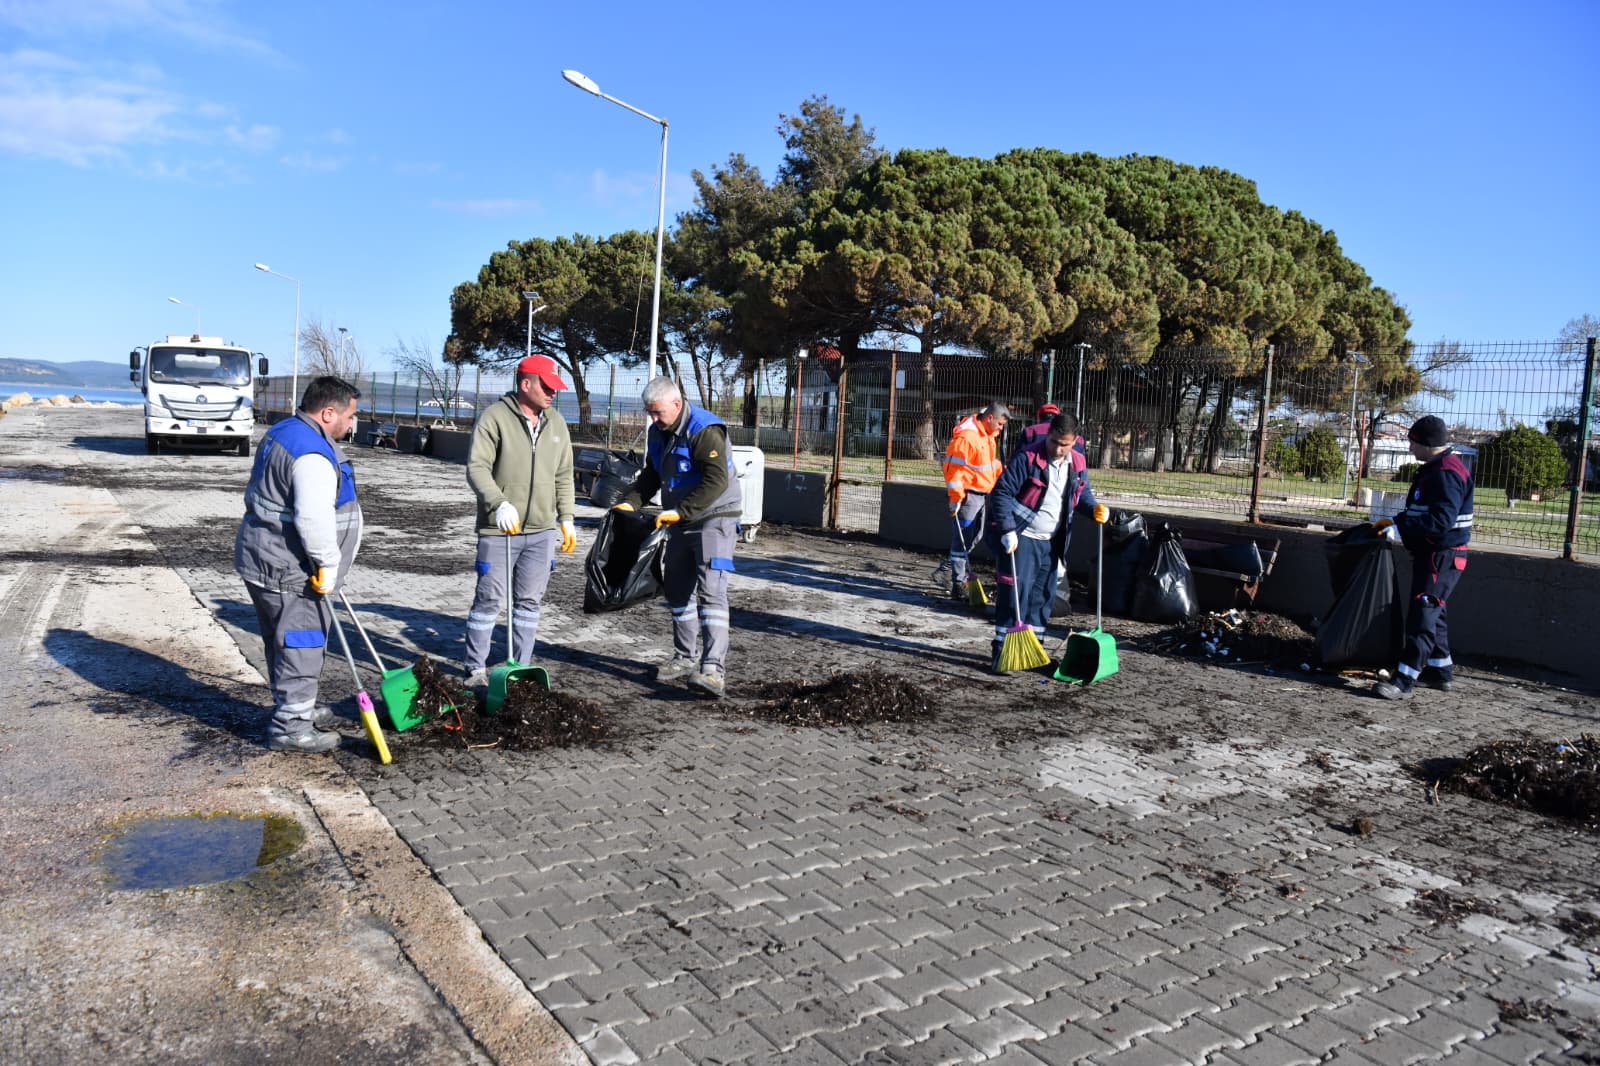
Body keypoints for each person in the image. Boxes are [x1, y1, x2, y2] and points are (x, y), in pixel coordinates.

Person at [233, 376, 364, 753]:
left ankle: (295, 705)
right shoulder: (311, 454)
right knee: (302, 644)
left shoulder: (285, 431)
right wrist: (327, 563)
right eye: (350, 416)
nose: (352, 424)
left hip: (264, 559)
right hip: (294, 570)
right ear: (328, 413)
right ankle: (291, 727)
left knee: (282, 641)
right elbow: (312, 518)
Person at [616, 376, 743, 697]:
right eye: (650, 412)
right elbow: (652, 474)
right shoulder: (658, 433)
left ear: (676, 403)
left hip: (715, 518)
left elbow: (716, 481)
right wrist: (630, 501)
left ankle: (712, 670)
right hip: (680, 520)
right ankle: (685, 657)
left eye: (657, 412)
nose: (654, 418)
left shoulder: (705, 430)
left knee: (711, 591)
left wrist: (681, 511)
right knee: (676, 588)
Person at [462, 354, 577, 686]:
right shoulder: (495, 418)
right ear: (526, 384)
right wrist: (498, 503)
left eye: (554, 387)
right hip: (499, 529)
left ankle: (520, 667)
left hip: (541, 532)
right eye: (547, 386)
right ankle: (475, 669)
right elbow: (477, 467)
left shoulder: (556, 423)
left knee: (529, 603)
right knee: (489, 600)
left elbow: (564, 475)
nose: (552, 393)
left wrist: (566, 517)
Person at [988, 412, 1109, 671]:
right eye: (1054, 441)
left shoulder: (1077, 462)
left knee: (1042, 596)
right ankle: (1002, 652)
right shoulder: (1029, 457)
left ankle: (1034, 653)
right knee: (1015, 594)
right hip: (1023, 537)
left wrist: (1094, 509)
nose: (1057, 449)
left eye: (1064, 444)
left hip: (1053, 541)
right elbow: (1001, 493)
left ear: (1074, 441)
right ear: (1049, 434)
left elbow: (1081, 493)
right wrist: (1008, 529)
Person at [1373, 415, 1474, 700]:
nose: (1410, 448)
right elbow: (1422, 510)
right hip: (1436, 554)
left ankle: (1404, 680)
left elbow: (1441, 520)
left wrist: (1402, 528)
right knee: (1433, 611)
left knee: (1423, 614)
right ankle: (1440, 671)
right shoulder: (1436, 469)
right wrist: (1396, 522)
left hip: (1441, 555)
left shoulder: (1446, 473)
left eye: (1413, 443)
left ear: (1427, 443)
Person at [941, 401, 1009, 601]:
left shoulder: (987, 436)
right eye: (1000, 424)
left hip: (982, 493)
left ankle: (948, 568)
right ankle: (958, 582)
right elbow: (953, 470)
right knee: (963, 538)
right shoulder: (968, 438)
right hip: (968, 495)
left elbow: (987, 465)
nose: (1001, 429)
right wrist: (956, 497)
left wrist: (1004, 473)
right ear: (990, 418)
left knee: (975, 536)